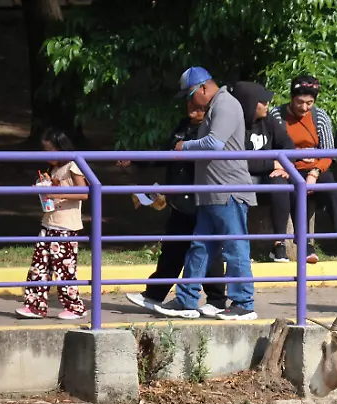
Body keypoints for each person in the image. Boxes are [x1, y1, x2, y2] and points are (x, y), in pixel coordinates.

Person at [165, 67, 260, 321]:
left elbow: (214, 144)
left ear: (203, 88)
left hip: (228, 190)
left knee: (234, 247)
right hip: (211, 191)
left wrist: (184, 146)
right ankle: (186, 300)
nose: (189, 101)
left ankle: (243, 302)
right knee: (200, 247)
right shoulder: (216, 105)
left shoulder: (226, 105)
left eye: (190, 95)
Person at [122, 101, 228, 318]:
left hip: (200, 198)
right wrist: (136, 160)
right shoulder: (183, 126)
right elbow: (166, 154)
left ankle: (216, 299)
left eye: (199, 107)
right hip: (180, 199)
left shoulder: (209, 132)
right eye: (190, 105)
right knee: (174, 247)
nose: (192, 109)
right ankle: (155, 294)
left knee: (205, 250)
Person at [269, 74, 337, 265]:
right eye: (300, 102)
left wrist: (314, 173)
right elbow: (272, 147)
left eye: (309, 103)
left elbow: (328, 153)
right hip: (289, 169)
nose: (304, 108)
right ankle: (304, 244)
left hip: (316, 169)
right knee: (296, 192)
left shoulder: (320, 117)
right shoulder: (276, 116)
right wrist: (291, 163)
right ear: (291, 97)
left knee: (332, 190)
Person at [16, 128, 88, 320]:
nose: (46, 155)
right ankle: (35, 306)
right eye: (44, 150)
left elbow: (84, 193)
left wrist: (57, 194)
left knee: (64, 270)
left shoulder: (73, 165)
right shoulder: (54, 170)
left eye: (49, 150)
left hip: (66, 226)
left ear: (60, 149)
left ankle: (75, 307)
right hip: (49, 222)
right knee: (39, 268)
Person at [231, 81, 297, 263]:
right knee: (237, 187)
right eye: (262, 101)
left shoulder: (268, 120)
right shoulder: (233, 126)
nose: (267, 104)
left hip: (267, 176)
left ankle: (279, 243)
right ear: (251, 104)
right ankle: (236, 246)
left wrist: (283, 165)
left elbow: (288, 144)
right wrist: (271, 164)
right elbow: (239, 162)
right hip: (242, 178)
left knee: (281, 184)